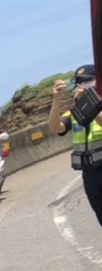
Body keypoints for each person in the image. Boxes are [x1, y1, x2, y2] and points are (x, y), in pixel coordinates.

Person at [50, 63, 102, 227]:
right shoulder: (75, 111)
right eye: (79, 82)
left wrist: (89, 103)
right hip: (90, 174)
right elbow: (55, 127)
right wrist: (56, 100)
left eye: (87, 81)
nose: (83, 85)